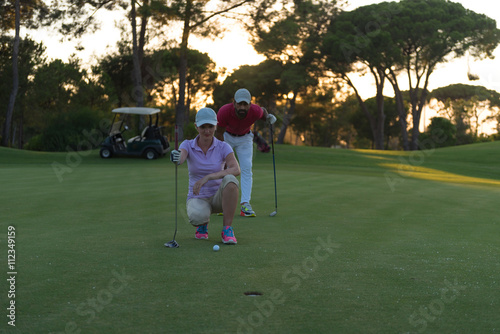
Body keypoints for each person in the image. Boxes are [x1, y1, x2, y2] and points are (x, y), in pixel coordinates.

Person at [170, 107, 241, 244]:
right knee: (197, 217)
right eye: (203, 126)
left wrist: (208, 177)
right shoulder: (188, 145)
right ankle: (202, 225)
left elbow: (236, 169)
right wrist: (176, 157)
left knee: (231, 180)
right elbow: (181, 158)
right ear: (196, 127)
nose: (207, 131)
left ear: (216, 126)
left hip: (219, 198)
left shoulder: (223, 146)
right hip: (198, 197)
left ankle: (227, 230)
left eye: (210, 126)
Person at [216, 88, 277, 217]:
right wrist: (224, 152)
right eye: (240, 104)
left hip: (245, 138)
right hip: (226, 136)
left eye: (245, 104)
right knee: (224, 167)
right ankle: (221, 203)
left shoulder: (255, 110)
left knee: (246, 168)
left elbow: (263, 112)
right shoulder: (224, 111)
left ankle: (245, 204)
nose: (242, 107)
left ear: (250, 104)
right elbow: (219, 133)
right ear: (234, 103)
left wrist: (268, 118)